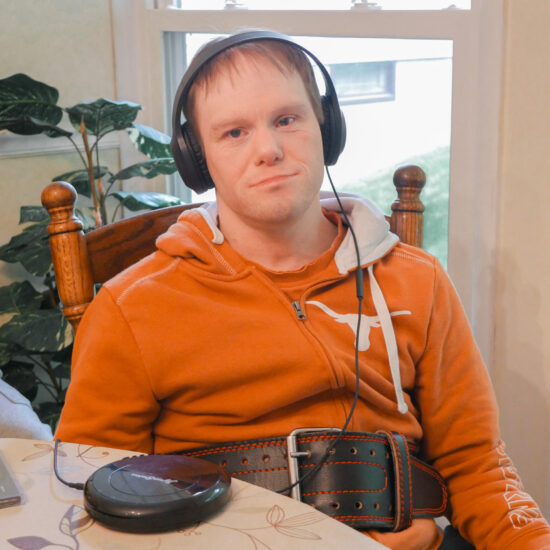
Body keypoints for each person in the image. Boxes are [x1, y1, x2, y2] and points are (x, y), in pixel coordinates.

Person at [55, 30, 550, 549]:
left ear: (326, 128)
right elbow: (89, 496)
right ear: (197, 159)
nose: (268, 149)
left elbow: (477, 464)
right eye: (233, 133)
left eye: (287, 119)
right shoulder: (132, 307)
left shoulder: (417, 281)